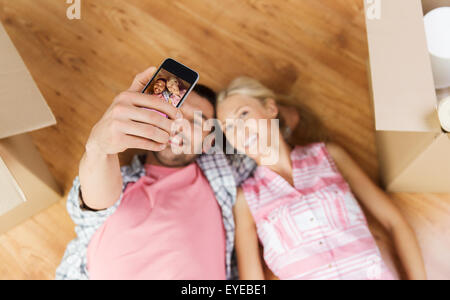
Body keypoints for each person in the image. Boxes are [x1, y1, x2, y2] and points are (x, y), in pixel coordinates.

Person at [55, 67, 298, 280]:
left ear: (208, 142)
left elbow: (285, 121)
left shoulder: (224, 173)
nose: (180, 125)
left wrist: (259, 110)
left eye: (197, 122)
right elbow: (95, 202)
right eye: (174, 113)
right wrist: (99, 149)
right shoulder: (121, 180)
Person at [216, 77, 427, 280]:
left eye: (243, 114)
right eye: (229, 128)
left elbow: (394, 222)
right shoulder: (247, 199)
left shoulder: (330, 157)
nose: (240, 131)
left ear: (270, 109)